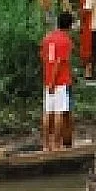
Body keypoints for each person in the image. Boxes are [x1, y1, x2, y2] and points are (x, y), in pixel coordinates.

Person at [40, 12, 74, 151]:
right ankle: (56, 143)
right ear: (69, 25)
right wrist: (54, 81)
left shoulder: (47, 38)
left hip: (48, 80)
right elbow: (59, 62)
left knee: (48, 112)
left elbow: (43, 56)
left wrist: (49, 80)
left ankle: (46, 143)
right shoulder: (65, 41)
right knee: (59, 112)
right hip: (60, 81)